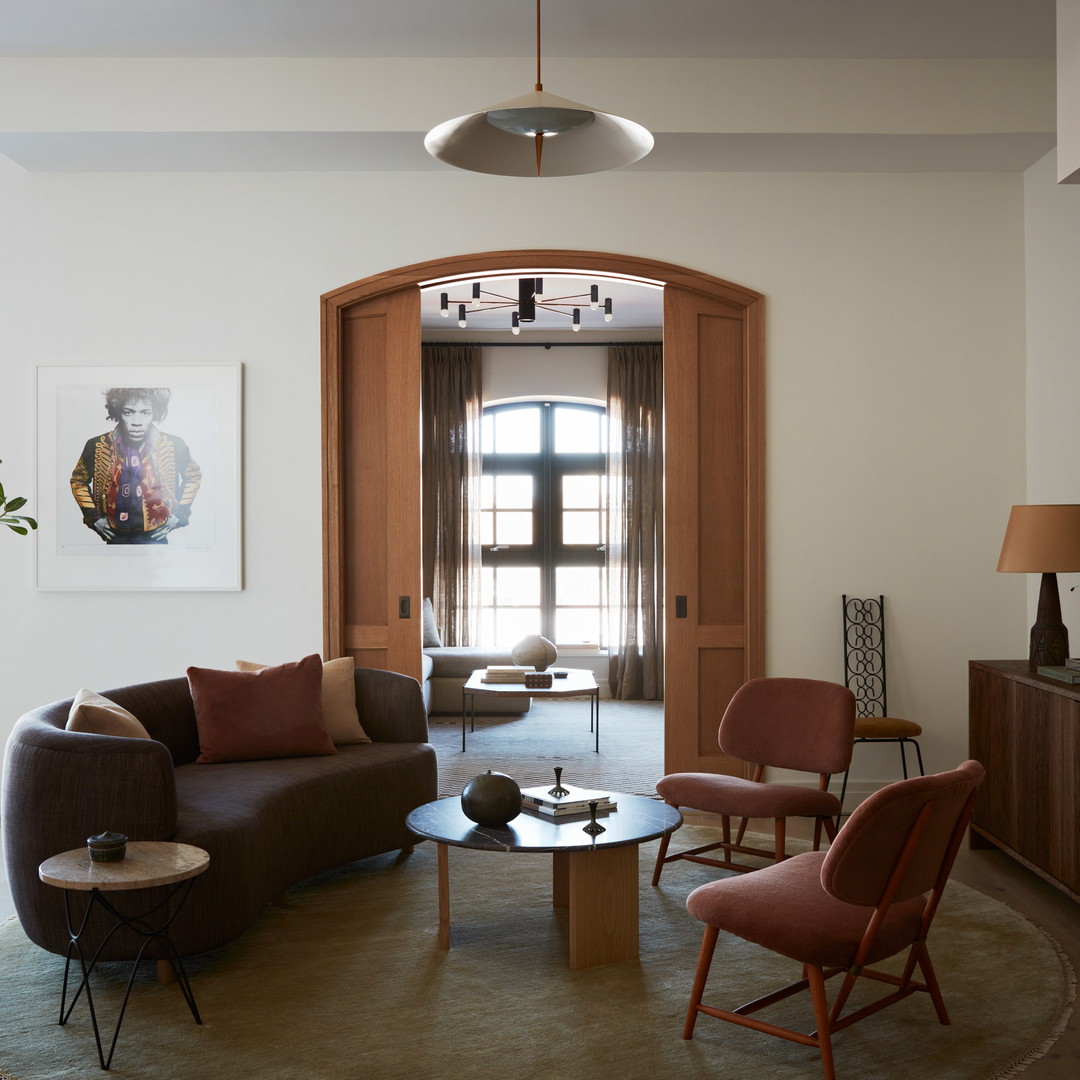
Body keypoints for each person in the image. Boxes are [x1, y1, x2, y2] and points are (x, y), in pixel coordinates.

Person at [70, 387, 202, 544]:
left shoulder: (174, 444)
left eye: (145, 413)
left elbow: (193, 476)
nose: (136, 422)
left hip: (156, 534)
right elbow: (78, 481)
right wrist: (94, 517)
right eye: (128, 412)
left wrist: (179, 515)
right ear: (118, 412)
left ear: (155, 413)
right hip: (115, 533)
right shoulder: (97, 445)